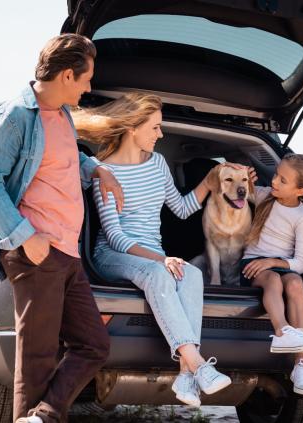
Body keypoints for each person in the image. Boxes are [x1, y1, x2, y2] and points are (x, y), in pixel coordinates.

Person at [0, 34, 124, 423]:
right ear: (65, 75)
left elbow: (66, 157)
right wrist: (26, 237)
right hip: (36, 249)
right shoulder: (16, 116)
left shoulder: (61, 115)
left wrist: (98, 168)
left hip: (67, 252)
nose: (90, 87)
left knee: (93, 345)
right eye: (86, 78)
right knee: (38, 356)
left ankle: (42, 416)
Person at [73, 92, 237, 407]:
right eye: (155, 128)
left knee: (191, 274)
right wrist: (162, 259)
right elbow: (116, 236)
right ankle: (199, 365)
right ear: (132, 128)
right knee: (160, 274)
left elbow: (182, 208)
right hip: (113, 254)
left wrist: (210, 180)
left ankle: (186, 376)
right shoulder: (104, 172)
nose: (160, 135)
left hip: (153, 254)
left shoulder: (158, 163)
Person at [240, 154, 303, 396]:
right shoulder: (264, 196)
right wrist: (246, 180)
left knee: (296, 284)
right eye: (276, 175)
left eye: (283, 180)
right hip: (253, 265)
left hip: (280, 264)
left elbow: (300, 263)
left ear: (300, 191)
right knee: (272, 279)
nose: (275, 181)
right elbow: (240, 193)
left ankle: (302, 366)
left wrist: (273, 261)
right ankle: (281, 333)